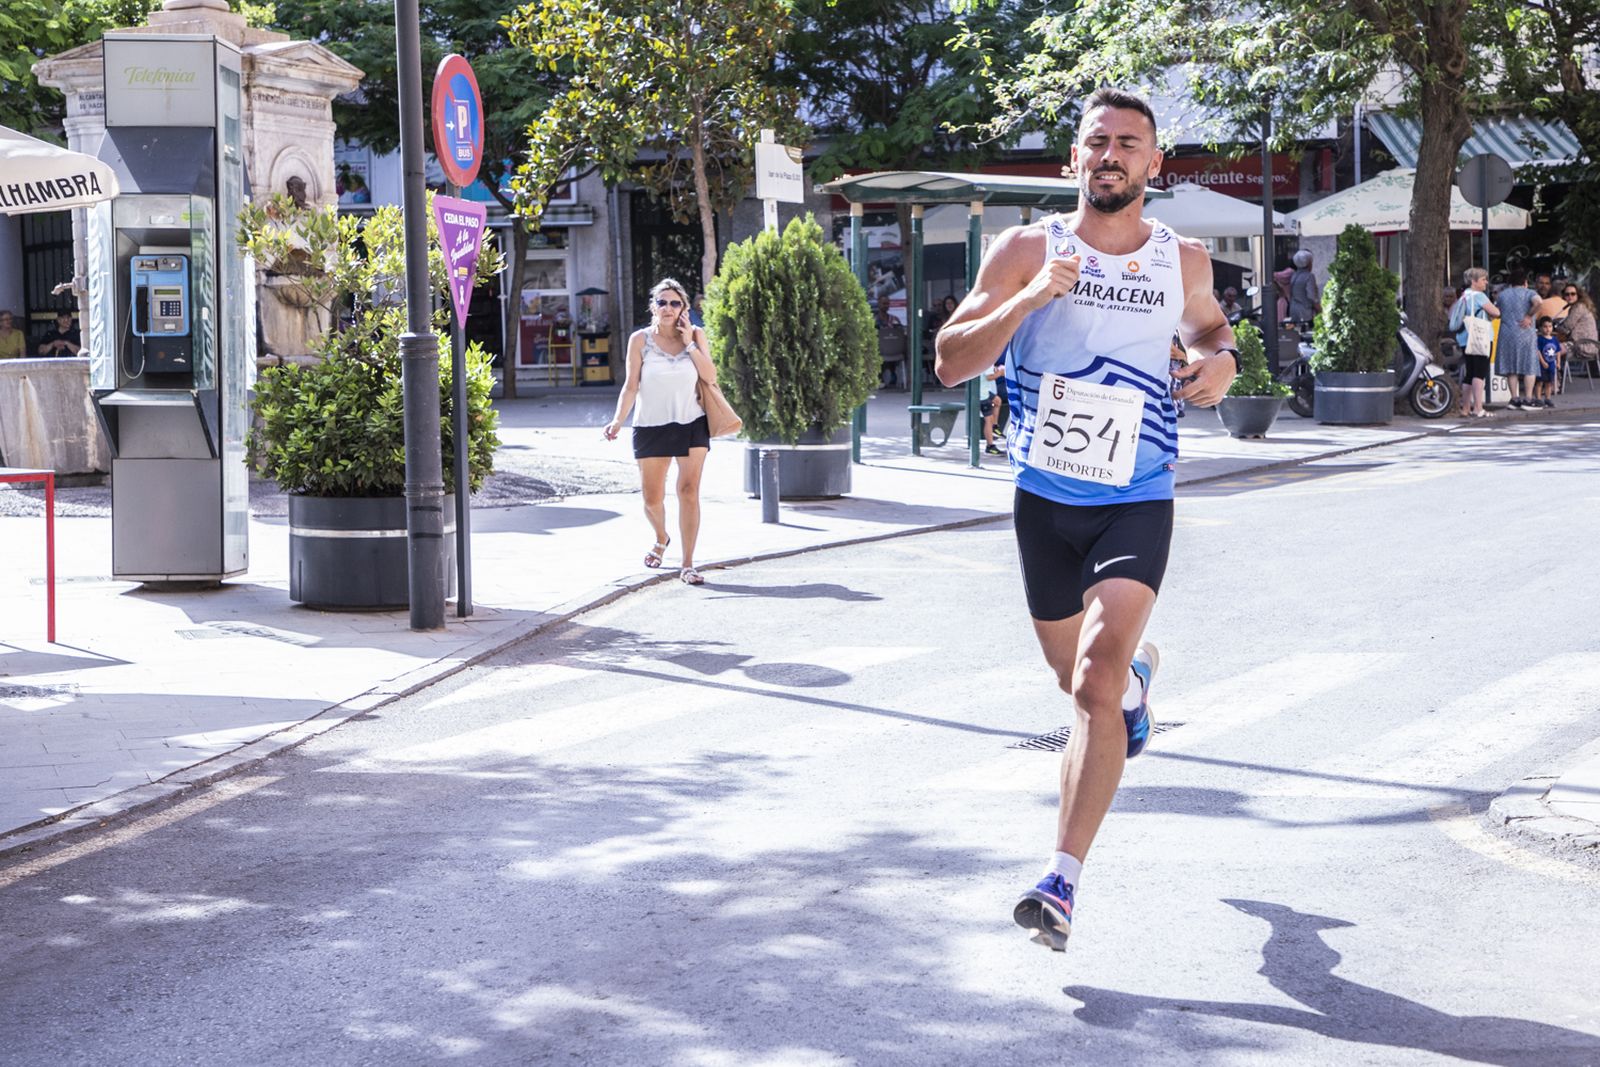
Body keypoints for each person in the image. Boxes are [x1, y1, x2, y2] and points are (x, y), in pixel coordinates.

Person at [934, 87, 1238, 953]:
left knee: (1093, 686)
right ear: (1073, 159)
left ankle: (1060, 881)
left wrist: (1220, 365)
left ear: (1154, 164)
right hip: (1044, 498)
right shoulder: (1024, 247)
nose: (1110, 154)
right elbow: (951, 363)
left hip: (1137, 493)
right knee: (1083, 683)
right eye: (1095, 141)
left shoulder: (1181, 260)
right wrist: (1028, 298)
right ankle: (1138, 686)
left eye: (1128, 143)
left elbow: (1213, 335)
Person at [603, 278, 717, 586]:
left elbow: (710, 376)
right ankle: (661, 536)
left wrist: (690, 341)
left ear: (684, 309)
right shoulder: (640, 340)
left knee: (688, 491)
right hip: (650, 425)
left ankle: (689, 563)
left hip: (692, 422)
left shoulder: (696, 336)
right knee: (652, 498)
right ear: (654, 306)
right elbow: (630, 386)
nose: (668, 308)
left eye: (675, 303)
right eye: (662, 302)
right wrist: (617, 421)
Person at [1450, 268, 1499, 418]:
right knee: (1480, 372)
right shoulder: (1479, 296)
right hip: (1480, 338)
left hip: (1465, 338)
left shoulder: (1464, 295)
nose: (1486, 282)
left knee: (1469, 373)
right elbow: (1496, 312)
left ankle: (1465, 407)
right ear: (1474, 281)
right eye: (1483, 279)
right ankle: (1478, 407)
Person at [1494, 268, 1539, 409]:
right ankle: (1528, 399)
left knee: (1511, 368)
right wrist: (1528, 316)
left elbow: (1497, 312)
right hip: (1526, 334)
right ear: (1525, 282)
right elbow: (1539, 302)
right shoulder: (1530, 293)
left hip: (1507, 334)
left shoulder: (1502, 295)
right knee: (1529, 366)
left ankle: (1514, 399)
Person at [1560, 282, 1599, 384]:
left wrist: (1555, 327)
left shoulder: (1579, 307)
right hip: (1590, 345)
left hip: (1581, 345)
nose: (1570, 297)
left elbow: (1567, 327)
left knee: (1551, 350)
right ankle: (1555, 381)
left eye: (1573, 294)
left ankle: (1553, 382)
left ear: (1578, 295)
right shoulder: (1581, 306)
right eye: (1567, 294)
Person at [874, 295, 907, 389]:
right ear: (879, 304)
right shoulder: (874, 320)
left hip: (895, 351)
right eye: (883, 303)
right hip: (880, 350)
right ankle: (883, 376)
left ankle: (891, 374)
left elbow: (901, 334)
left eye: (887, 304)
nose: (886, 306)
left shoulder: (895, 319)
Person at [1288, 250, 1321, 327]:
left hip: (1293, 310)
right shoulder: (1309, 276)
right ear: (1308, 263)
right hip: (1305, 312)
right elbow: (1311, 296)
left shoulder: (1294, 275)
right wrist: (1320, 309)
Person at [1535, 316, 1563, 408]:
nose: (1548, 329)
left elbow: (1558, 351)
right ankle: (1538, 399)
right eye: (1545, 327)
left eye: (1550, 326)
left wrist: (1558, 362)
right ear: (1540, 328)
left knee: (1549, 383)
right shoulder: (1539, 339)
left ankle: (1548, 398)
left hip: (1551, 365)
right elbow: (1538, 351)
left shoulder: (1554, 339)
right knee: (1539, 382)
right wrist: (1542, 362)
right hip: (1541, 365)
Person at [980, 358, 1005, 455]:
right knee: (988, 420)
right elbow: (989, 377)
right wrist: (1000, 373)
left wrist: (996, 369)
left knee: (997, 401)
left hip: (985, 391)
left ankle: (995, 426)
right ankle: (990, 446)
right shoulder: (988, 360)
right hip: (982, 394)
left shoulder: (986, 359)